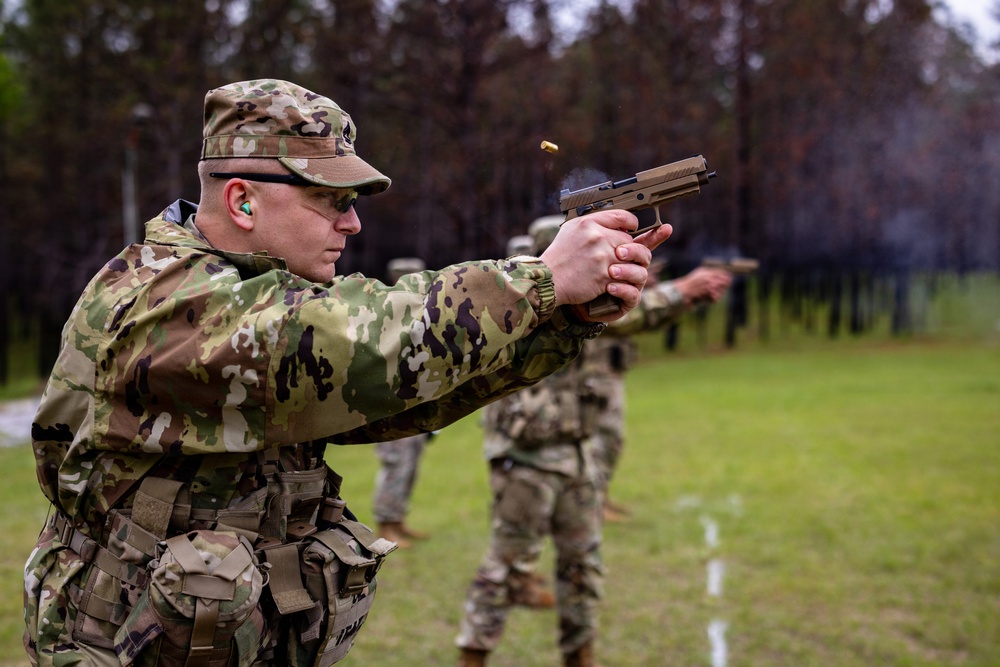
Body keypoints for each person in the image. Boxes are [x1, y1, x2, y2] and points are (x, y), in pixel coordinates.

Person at [22, 79, 672, 667]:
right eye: (330, 199)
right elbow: (362, 342)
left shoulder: (256, 294)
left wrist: (561, 317)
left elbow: (395, 396)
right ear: (242, 201)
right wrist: (543, 278)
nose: (353, 221)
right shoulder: (162, 301)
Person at [454, 218, 732, 667]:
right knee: (504, 569)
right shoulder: (518, 297)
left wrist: (679, 290)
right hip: (528, 459)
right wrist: (686, 290)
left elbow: (632, 310)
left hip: (578, 453)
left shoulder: (592, 300)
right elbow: (639, 314)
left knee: (582, 569)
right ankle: (473, 657)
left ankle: (580, 656)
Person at [373, 258, 434, 547]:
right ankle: (385, 525)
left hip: (414, 404)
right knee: (396, 465)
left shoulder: (421, 314)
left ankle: (397, 520)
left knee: (410, 465)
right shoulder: (384, 315)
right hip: (390, 407)